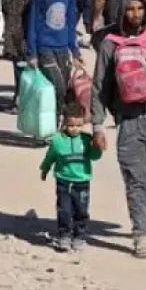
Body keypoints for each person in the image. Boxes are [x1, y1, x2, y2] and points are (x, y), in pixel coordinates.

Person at [90, 0, 146, 258]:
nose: (135, 14)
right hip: (129, 122)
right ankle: (140, 233)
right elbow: (99, 87)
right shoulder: (109, 45)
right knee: (136, 181)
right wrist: (97, 125)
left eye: (140, 8)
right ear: (121, 12)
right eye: (130, 9)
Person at [41, 108, 105, 253]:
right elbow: (50, 157)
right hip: (63, 182)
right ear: (64, 123)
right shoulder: (57, 141)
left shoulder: (86, 139)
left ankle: (79, 237)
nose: (74, 129)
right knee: (64, 210)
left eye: (78, 125)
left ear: (83, 124)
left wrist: (98, 147)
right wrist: (45, 168)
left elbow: (94, 156)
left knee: (81, 211)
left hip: (82, 182)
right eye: (70, 125)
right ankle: (64, 236)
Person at [24, 0, 80, 108]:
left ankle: (55, 120)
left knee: (65, 90)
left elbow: (70, 25)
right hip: (45, 48)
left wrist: (75, 52)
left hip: (63, 49)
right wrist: (32, 53)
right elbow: (32, 23)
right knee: (58, 87)